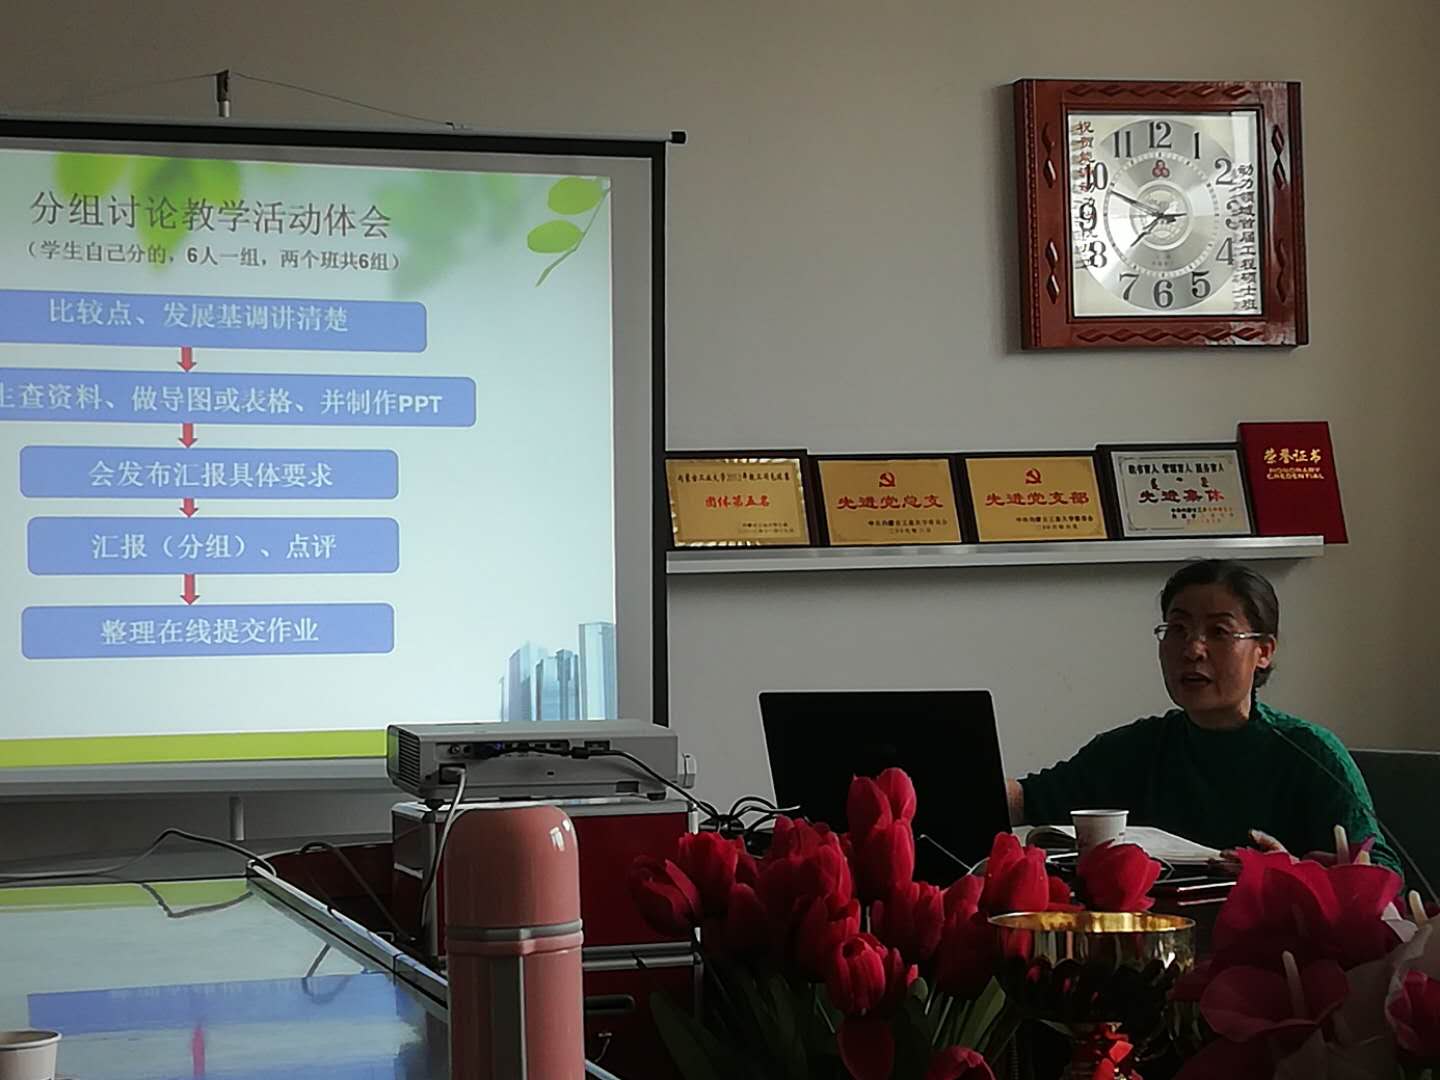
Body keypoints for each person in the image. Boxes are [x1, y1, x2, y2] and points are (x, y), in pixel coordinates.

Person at [1007, 559, 1400, 874]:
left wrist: (1294, 872)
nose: (1193, 649)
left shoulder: (1309, 752)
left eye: (1219, 632)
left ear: (1263, 651)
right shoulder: (1134, 749)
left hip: (1277, 944)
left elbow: (1384, 875)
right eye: (1177, 629)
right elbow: (1029, 799)